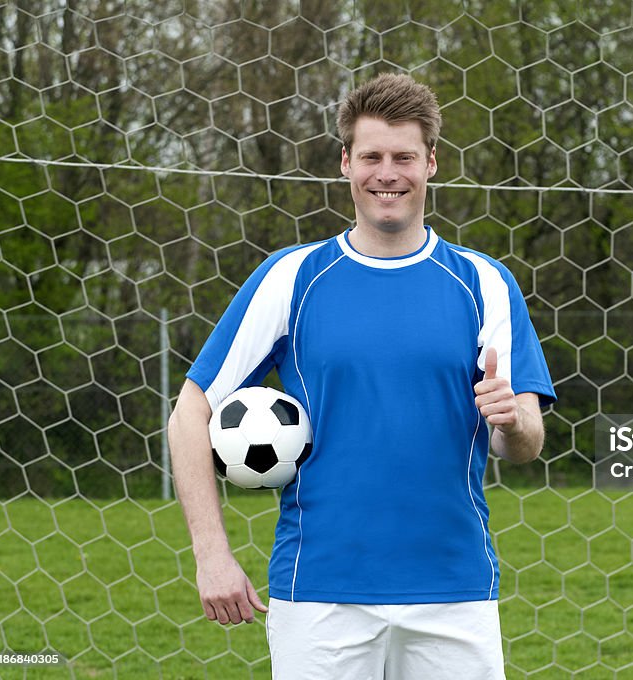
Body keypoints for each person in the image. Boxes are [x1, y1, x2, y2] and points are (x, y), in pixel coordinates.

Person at [168, 72, 556, 679]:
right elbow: (191, 409)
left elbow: (522, 443)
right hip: (319, 590)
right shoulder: (291, 277)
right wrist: (211, 555)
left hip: (454, 590)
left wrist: (511, 419)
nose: (387, 172)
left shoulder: (485, 282)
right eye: (371, 155)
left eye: (404, 156)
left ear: (431, 163)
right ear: (346, 163)